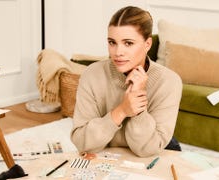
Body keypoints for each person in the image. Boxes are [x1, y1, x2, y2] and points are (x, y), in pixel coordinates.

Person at [70, 6, 182, 157]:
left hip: (154, 148)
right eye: (112, 42)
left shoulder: (169, 81)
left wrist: (139, 103)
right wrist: (122, 110)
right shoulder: (92, 74)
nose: (118, 52)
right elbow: (81, 143)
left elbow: (146, 150)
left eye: (128, 43)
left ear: (147, 44)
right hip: (108, 155)